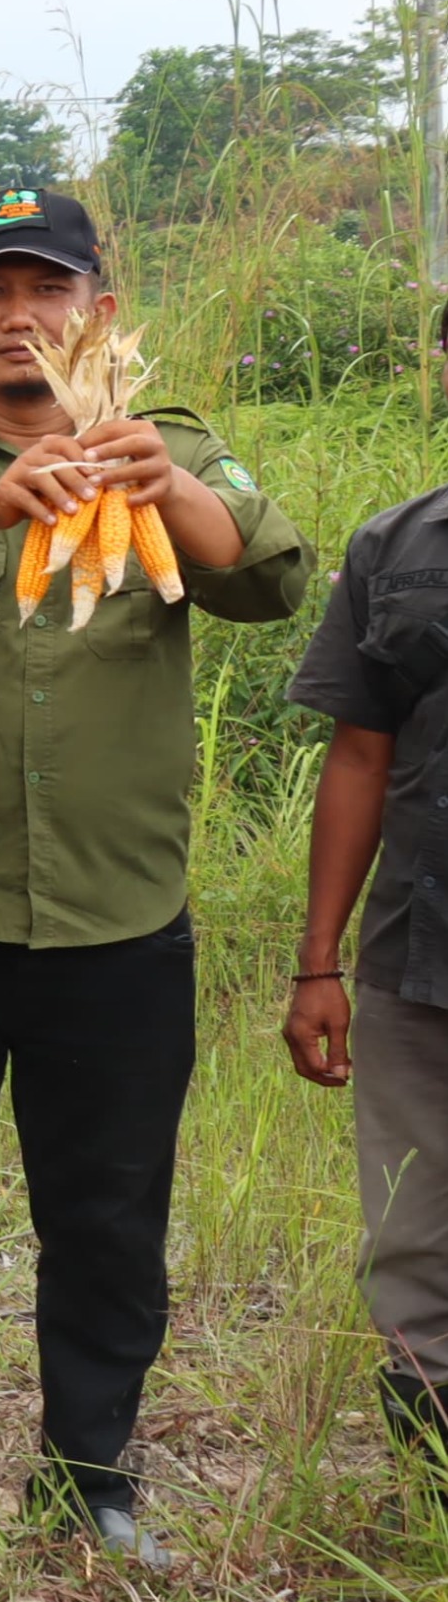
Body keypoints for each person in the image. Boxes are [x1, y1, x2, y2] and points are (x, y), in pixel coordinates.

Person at [0, 186, 307, 1560]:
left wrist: (167, 484)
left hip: (117, 910)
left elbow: (270, 578)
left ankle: (92, 1468)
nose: (20, 315)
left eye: (49, 287)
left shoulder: (179, 439)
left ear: (99, 303)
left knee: (107, 1209)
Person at [277, 381, 448, 1475]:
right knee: (416, 1227)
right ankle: (430, 1467)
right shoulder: (395, 545)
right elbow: (358, 756)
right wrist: (318, 963)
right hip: (416, 952)